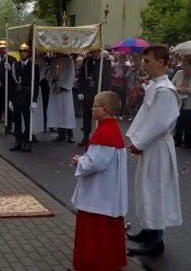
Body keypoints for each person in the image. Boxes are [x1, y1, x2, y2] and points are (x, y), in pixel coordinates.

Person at [125, 44, 182, 257]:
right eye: (143, 60)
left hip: (157, 146)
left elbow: (159, 123)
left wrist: (139, 142)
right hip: (151, 144)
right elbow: (147, 116)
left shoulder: (165, 90)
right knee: (145, 188)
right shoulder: (155, 86)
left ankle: (155, 240)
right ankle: (148, 230)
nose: (144, 64)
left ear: (161, 62)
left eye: (147, 61)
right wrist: (138, 140)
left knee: (155, 189)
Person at [71, 91, 127, 271]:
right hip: (107, 190)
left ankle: (92, 265)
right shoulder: (111, 129)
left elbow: (95, 163)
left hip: (99, 194)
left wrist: (79, 161)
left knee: (94, 233)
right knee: (106, 232)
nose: (92, 108)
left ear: (104, 110)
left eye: (95, 105)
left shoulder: (105, 133)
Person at [76, 46, 111, 147]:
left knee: (100, 117)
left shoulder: (105, 62)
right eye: (92, 51)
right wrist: (81, 91)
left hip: (98, 93)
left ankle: (99, 137)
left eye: (95, 51)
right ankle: (85, 137)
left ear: (99, 51)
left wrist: (103, 94)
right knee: (86, 117)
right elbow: (82, 76)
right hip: (87, 92)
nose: (93, 53)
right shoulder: (87, 61)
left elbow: (106, 79)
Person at [7, 43, 39, 152]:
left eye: (25, 51)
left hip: (27, 96)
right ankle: (18, 141)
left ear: (29, 53)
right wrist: (10, 99)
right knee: (17, 121)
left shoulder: (34, 65)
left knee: (27, 121)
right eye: (21, 51)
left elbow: (35, 84)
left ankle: (27, 142)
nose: (23, 53)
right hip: (16, 95)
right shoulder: (15, 65)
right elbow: (11, 83)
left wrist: (34, 100)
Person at [46, 52, 76, 143]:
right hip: (55, 89)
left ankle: (70, 135)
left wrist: (63, 87)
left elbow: (71, 75)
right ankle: (61, 134)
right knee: (57, 112)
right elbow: (49, 74)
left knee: (67, 112)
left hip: (65, 91)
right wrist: (53, 83)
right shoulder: (54, 61)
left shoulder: (69, 61)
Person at [171, 57, 191, 148]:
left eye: (185, 64)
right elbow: (172, 84)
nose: (182, 66)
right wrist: (178, 89)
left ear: (190, 65)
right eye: (182, 64)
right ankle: (177, 141)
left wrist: (187, 90)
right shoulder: (179, 73)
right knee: (178, 122)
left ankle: (188, 142)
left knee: (189, 124)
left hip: (189, 102)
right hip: (179, 100)